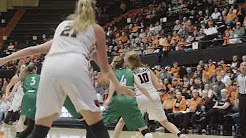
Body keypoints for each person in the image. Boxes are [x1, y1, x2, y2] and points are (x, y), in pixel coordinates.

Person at [0, 0, 134, 137]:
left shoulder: (62, 26)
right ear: (95, 14)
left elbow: (33, 49)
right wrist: (118, 85)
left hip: (50, 67)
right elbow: (105, 69)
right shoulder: (96, 29)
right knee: (97, 125)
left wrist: (4, 59)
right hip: (74, 65)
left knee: (40, 128)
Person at [111, 52, 188, 138]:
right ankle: (180, 134)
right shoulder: (147, 69)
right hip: (153, 96)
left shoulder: (129, 72)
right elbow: (157, 86)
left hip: (140, 97)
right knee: (164, 122)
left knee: (122, 121)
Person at [103, 56, 153, 138]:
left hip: (116, 100)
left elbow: (112, 86)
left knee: (99, 123)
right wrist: (150, 97)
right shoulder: (131, 73)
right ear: (124, 64)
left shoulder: (113, 73)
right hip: (130, 100)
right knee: (142, 127)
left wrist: (109, 98)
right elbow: (141, 87)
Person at [3, 63, 26, 135]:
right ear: (19, 69)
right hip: (16, 98)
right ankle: (2, 132)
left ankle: (19, 134)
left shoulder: (28, 77)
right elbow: (8, 87)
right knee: (9, 116)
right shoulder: (16, 77)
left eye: (25, 68)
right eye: (22, 67)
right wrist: (7, 96)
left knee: (22, 119)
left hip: (25, 98)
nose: (24, 69)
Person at [236, 62, 246, 138]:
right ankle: (242, 133)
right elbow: (238, 87)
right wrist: (237, 98)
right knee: (241, 115)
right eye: (242, 65)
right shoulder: (238, 77)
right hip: (241, 96)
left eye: (245, 65)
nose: (243, 67)